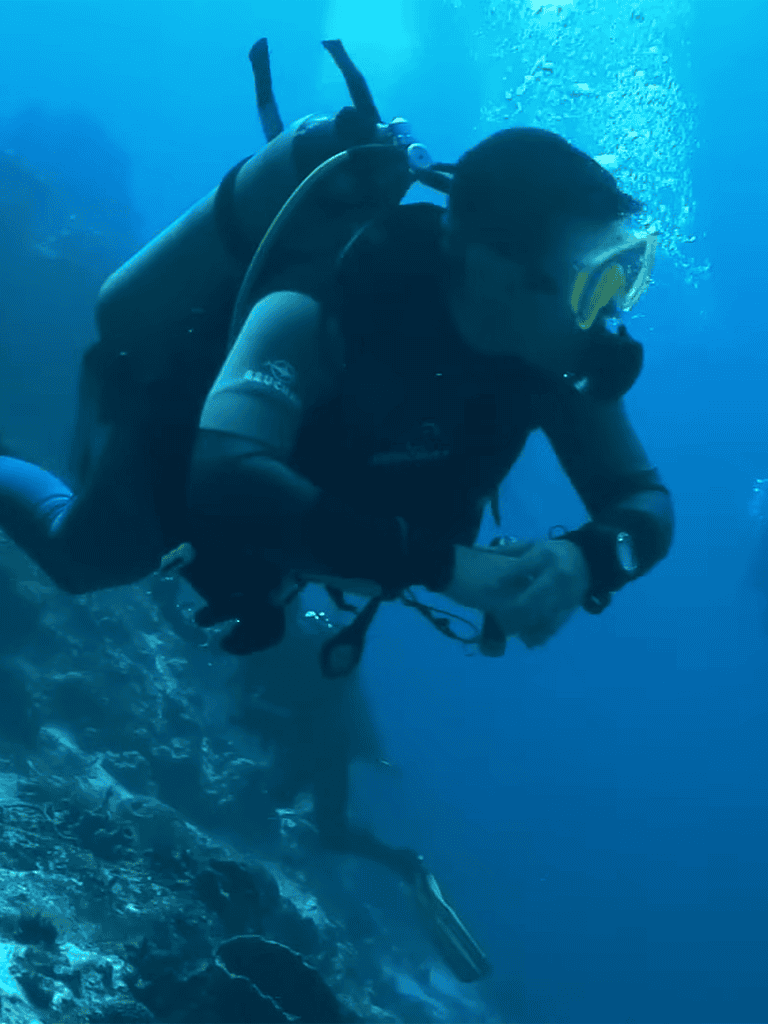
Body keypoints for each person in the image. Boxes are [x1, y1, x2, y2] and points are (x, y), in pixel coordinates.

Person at [0, 39, 673, 983]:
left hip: (335, 519)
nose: (609, 313)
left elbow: (644, 503)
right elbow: (228, 476)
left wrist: (589, 558)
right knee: (83, 557)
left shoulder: (552, 349)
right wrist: (451, 567)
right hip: (182, 445)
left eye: (626, 276)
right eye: (595, 279)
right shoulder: (327, 304)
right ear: (484, 261)